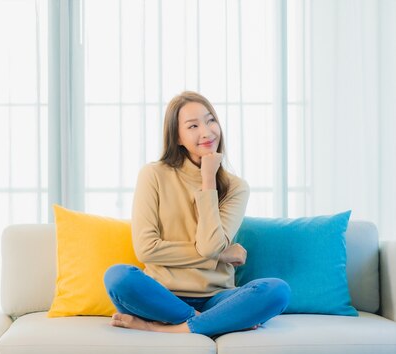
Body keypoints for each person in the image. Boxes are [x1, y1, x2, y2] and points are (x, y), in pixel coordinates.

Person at [103, 91, 291, 337]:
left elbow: (209, 245)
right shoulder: (154, 175)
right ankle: (210, 323)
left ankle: (168, 328)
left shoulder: (236, 187)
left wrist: (208, 180)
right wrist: (220, 257)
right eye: (193, 125)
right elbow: (147, 249)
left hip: (218, 298)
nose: (206, 131)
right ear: (177, 137)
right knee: (118, 277)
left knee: (277, 291)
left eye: (210, 120)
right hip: (161, 296)